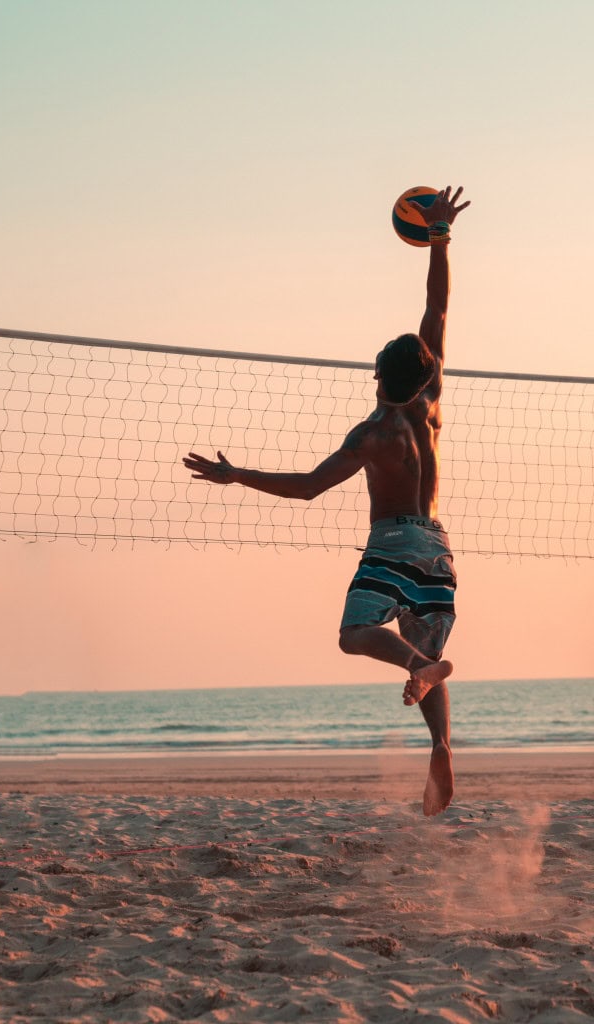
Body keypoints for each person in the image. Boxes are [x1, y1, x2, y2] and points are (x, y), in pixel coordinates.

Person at [183, 186, 470, 816]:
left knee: (355, 634)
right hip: (438, 543)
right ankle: (442, 746)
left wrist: (238, 476)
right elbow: (437, 310)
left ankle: (418, 666)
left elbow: (308, 486)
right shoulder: (432, 404)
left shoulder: (372, 436)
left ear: (380, 378)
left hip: (393, 542)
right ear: (425, 374)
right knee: (431, 654)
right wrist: (440, 237)